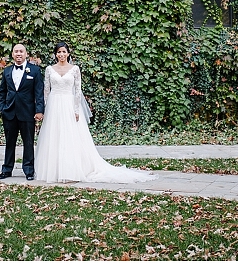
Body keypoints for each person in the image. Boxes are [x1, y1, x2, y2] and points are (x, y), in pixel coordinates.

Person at [35, 42, 157, 184]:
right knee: (54, 136)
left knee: (70, 136)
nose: (61, 54)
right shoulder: (49, 69)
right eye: (58, 52)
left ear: (68, 53)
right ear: (55, 54)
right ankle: (54, 170)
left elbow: (77, 91)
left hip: (69, 104)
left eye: (63, 51)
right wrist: (44, 108)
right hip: (54, 105)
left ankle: (71, 170)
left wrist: (76, 110)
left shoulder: (75, 69)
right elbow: (46, 90)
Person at [0, 43, 44, 180]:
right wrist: (2, 108)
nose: (18, 54)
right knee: (9, 142)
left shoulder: (34, 71)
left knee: (28, 142)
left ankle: (29, 170)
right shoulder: (7, 71)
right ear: (12, 54)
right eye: (16, 51)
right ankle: (7, 169)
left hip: (27, 112)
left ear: (26, 54)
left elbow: (39, 92)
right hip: (9, 113)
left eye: (21, 51)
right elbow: (2, 91)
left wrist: (39, 110)